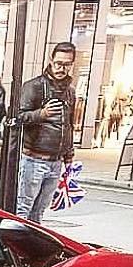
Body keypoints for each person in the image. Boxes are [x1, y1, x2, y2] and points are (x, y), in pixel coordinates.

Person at [16, 41, 77, 224]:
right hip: (34, 158)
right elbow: (18, 117)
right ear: (51, 61)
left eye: (66, 65)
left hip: (55, 161)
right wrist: (41, 114)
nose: (61, 68)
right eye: (58, 63)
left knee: (39, 212)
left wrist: (69, 153)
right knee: (23, 209)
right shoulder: (34, 86)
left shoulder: (70, 92)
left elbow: (68, 124)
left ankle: (32, 248)